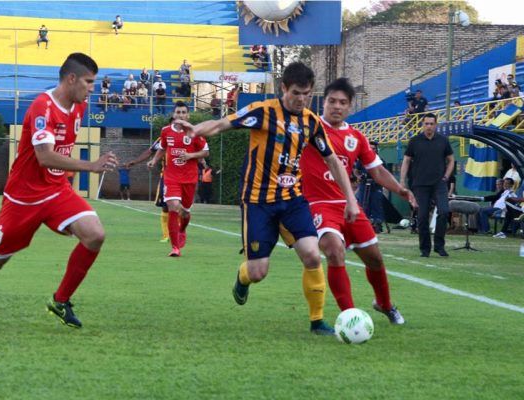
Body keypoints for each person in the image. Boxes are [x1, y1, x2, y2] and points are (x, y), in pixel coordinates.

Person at [176, 62, 360, 335]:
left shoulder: (310, 122)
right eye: (296, 93)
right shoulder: (262, 112)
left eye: (307, 94)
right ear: (283, 88)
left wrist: (351, 200)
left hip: (293, 201)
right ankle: (242, 277)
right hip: (258, 203)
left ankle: (317, 321)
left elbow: (332, 160)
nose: (301, 99)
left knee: (312, 254)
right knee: (258, 271)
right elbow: (222, 124)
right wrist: (197, 130)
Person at [0, 53, 118, 328]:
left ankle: (60, 301)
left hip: (57, 191)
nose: (92, 88)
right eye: (89, 82)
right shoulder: (42, 108)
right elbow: (45, 156)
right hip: (22, 199)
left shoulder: (79, 107)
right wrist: (91, 165)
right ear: (71, 79)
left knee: (95, 235)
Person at [300, 78, 416, 324]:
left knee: (374, 258)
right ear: (324, 103)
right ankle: (350, 316)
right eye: (332, 101)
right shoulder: (309, 127)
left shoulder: (356, 137)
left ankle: (384, 304)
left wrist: (400, 189)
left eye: (343, 102)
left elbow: (377, 170)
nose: (337, 107)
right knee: (333, 250)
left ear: (350, 106)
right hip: (318, 204)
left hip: (349, 204)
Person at [148, 101, 209, 257]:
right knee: (173, 206)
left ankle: (182, 229)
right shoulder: (166, 131)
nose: (181, 115)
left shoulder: (194, 132)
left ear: (187, 115)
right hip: (171, 177)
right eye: (178, 112)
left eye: (183, 112)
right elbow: (162, 148)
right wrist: (154, 160)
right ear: (174, 115)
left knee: (185, 212)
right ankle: (175, 247)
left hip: (189, 178)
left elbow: (205, 152)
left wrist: (190, 155)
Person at [400, 113, 454, 257]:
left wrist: (446, 176)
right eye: (426, 123)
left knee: (443, 212)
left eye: (431, 123)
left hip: (439, 184)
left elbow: (451, 160)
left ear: (436, 125)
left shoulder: (443, 141)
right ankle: (425, 249)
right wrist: (402, 181)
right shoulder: (414, 141)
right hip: (420, 185)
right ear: (422, 125)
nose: (429, 126)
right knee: (422, 217)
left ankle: (439, 246)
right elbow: (406, 161)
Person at [124, 138, 168, 242]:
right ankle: (166, 235)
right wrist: (134, 162)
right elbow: (150, 151)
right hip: (167, 176)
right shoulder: (163, 139)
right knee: (165, 207)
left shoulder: (188, 136)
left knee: (179, 206)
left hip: (184, 177)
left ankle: (179, 232)